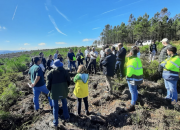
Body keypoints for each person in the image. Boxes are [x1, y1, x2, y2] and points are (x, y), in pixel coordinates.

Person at [46, 60, 70, 129]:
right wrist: (64, 87)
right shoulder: (65, 71)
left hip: (54, 92)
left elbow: (48, 85)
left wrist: (52, 89)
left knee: (55, 107)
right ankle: (67, 117)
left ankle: (55, 122)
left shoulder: (50, 73)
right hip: (63, 91)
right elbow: (69, 81)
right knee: (64, 103)